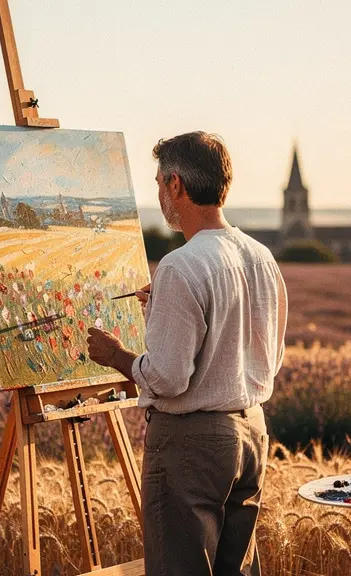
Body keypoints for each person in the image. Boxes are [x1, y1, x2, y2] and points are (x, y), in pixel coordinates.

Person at [87, 131, 287, 576]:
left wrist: (116, 355)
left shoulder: (181, 264)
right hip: (251, 433)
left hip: (191, 445)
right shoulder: (261, 257)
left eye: (159, 183)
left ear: (176, 184)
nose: (159, 195)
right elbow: (270, 358)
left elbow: (169, 378)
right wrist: (162, 306)